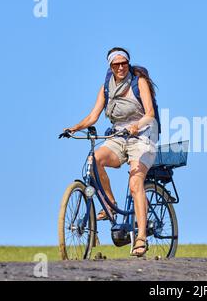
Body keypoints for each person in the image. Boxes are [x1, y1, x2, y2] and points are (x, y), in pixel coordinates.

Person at [64, 47, 158, 257]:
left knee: (135, 183)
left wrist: (137, 125)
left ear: (128, 63)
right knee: (94, 159)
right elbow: (93, 116)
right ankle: (110, 203)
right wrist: (74, 128)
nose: (121, 67)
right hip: (118, 135)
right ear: (110, 67)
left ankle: (141, 237)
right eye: (116, 65)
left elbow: (150, 113)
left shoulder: (138, 81)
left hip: (143, 134)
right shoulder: (106, 87)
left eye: (124, 63)